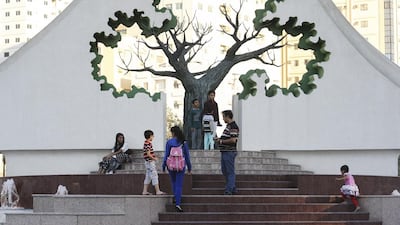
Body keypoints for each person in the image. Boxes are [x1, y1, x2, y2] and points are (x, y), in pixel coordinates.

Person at [162, 126, 192, 212]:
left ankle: (175, 197)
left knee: (173, 182)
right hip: (180, 166)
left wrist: (163, 166)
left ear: (173, 133)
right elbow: (187, 156)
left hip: (171, 166)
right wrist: (189, 168)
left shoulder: (169, 142)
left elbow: (166, 155)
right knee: (179, 184)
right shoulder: (183, 142)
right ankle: (178, 203)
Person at [215, 110, 239, 195]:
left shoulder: (233, 126)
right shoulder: (228, 126)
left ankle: (229, 190)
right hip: (225, 151)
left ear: (227, 116)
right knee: (225, 170)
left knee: (229, 171)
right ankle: (232, 187)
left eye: (223, 117)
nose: (223, 119)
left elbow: (233, 139)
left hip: (229, 152)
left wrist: (221, 141)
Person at [142, 130, 165, 195]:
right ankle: (158, 191)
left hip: (147, 162)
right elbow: (148, 154)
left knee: (148, 177)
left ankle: (144, 191)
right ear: (150, 136)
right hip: (150, 162)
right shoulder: (148, 143)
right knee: (154, 175)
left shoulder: (145, 143)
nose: (153, 137)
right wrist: (154, 158)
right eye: (153, 136)